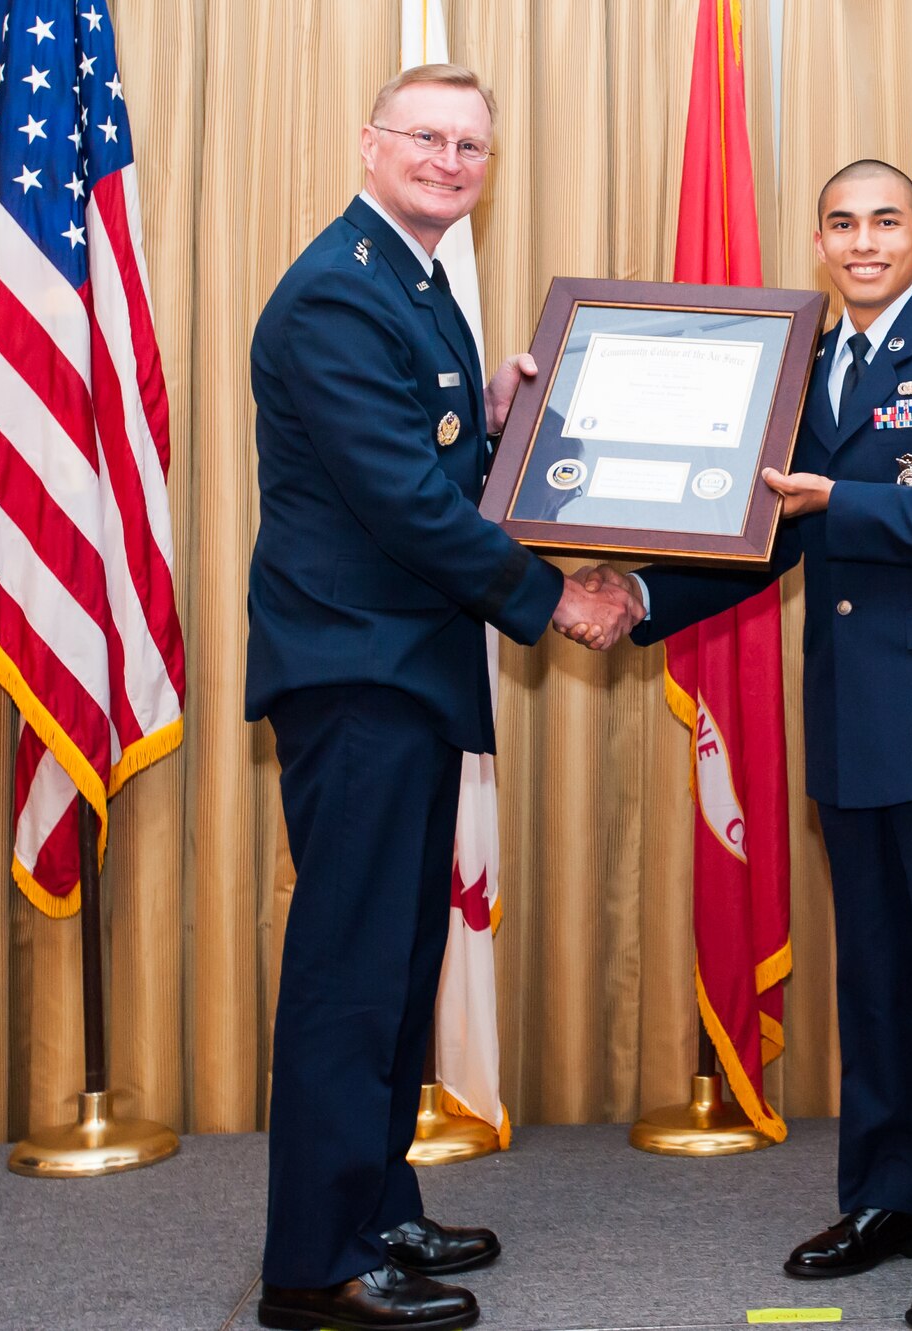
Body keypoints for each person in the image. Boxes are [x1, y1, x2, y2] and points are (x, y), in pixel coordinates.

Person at [589, 158, 912, 1330]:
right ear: (818, 242)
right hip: (851, 717)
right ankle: (895, 1196)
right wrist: (638, 595)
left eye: (885, 222)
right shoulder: (801, 368)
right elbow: (763, 532)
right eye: (842, 224)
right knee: (879, 974)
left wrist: (838, 499)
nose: (863, 242)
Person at [244, 63, 635, 1331]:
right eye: (426, 136)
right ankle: (315, 1263)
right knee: (349, 971)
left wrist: (499, 421)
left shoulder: (409, 283)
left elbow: (432, 458)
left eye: (470, 145)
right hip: (356, 669)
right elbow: (402, 501)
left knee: (398, 962)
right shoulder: (337, 292)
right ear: (371, 144)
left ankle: (377, 1203)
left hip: (402, 667)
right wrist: (552, 597)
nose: (449, 161)